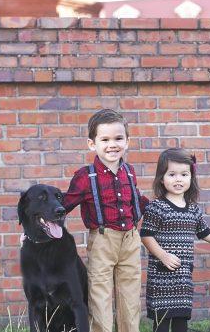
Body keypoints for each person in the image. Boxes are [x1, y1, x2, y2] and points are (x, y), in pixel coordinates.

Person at [63, 109, 149, 332]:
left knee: (130, 295)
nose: (113, 145)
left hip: (131, 239)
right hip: (103, 240)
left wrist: (160, 207)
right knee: (100, 295)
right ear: (92, 144)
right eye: (105, 139)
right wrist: (38, 226)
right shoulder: (85, 176)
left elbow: (137, 200)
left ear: (127, 141)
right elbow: (64, 205)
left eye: (118, 139)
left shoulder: (129, 171)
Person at [140, 148, 210, 332]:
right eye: (172, 174)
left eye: (184, 174)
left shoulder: (193, 210)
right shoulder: (157, 207)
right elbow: (146, 235)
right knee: (161, 324)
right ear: (161, 178)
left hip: (183, 280)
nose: (178, 179)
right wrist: (163, 255)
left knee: (181, 324)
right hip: (162, 279)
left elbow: (207, 233)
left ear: (191, 178)